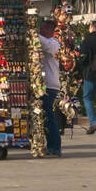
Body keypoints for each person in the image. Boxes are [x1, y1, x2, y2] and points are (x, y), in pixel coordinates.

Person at [38, 18, 62, 157]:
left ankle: (55, 146)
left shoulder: (53, 43)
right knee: (45, 115)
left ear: (49, 31)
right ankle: (50, 145)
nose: (40, 30)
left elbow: (43, 42)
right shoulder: (48, 42)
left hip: (50, 85)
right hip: (45, 84)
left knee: (48, 115)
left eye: (43, 28)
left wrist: (31, 33)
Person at [78, 18, 96, 135]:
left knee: (87, 98)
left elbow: (82, 56)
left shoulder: (87, 40)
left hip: (90, 73)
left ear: (92, 27)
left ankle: (93, 122)